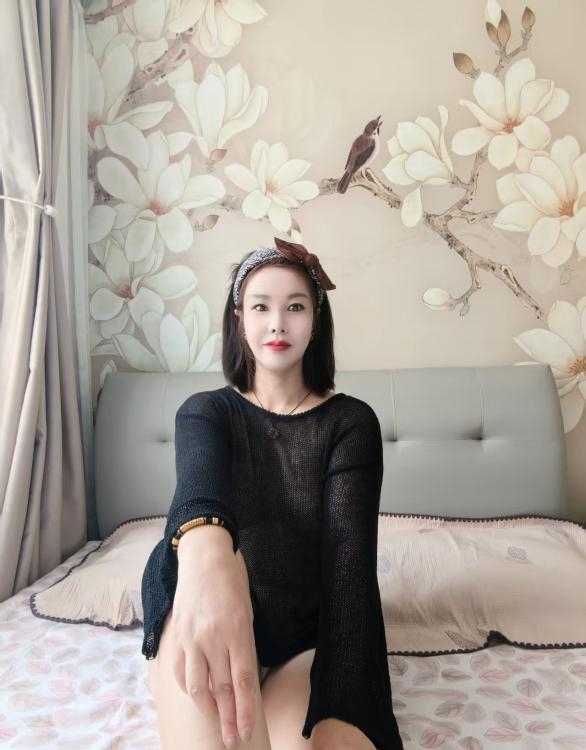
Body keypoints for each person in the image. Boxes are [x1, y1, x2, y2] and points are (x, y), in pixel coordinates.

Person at [141, 237, 404, 750]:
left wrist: (346, 701)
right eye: (261, 307)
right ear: (239, 320)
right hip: (202, 597)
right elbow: (198, 499)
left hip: (301, 632)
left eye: (296, 307)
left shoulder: (351, 423)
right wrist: (210, 559)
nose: (278, 323)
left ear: (316, 321)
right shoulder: (206, 411)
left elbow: (349, 570)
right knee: (215, 548)